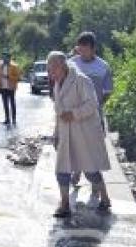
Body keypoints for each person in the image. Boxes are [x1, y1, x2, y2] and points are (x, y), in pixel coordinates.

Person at [47, 51, 111, 218]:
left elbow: (92, 105)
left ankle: (105, 198)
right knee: (61, 170)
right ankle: (65, 205)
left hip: (83, 133)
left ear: (63, 66)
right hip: (65, 132)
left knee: (90, 170)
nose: (51, 73)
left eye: (54, 69)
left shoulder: (82, 80)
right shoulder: (57, 82)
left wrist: (74, 114)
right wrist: (56, 133)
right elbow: (58, 112)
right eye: (49, 69)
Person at [69, 32, 113, 191]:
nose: (81, 51)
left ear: (93, 48)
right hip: (74, 114)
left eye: (85, 48)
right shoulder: (71, 64)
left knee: (95, 146)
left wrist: (95, 106)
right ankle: (77, 170)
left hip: (95, 114)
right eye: (79, 48)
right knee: (75, 144)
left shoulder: (103, 67)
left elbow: (108, 91)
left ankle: (96, 181)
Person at [0, 51, 21, 126]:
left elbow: (18, 77)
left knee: (12, 104)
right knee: (5, 104)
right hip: (3, 87)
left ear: (9, 58)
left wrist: (9, 77)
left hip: (11, 88)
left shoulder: (14, 66)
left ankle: (14, 119)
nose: (4, 59)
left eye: (6, 57)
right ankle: (7, 119)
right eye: (3, 57)